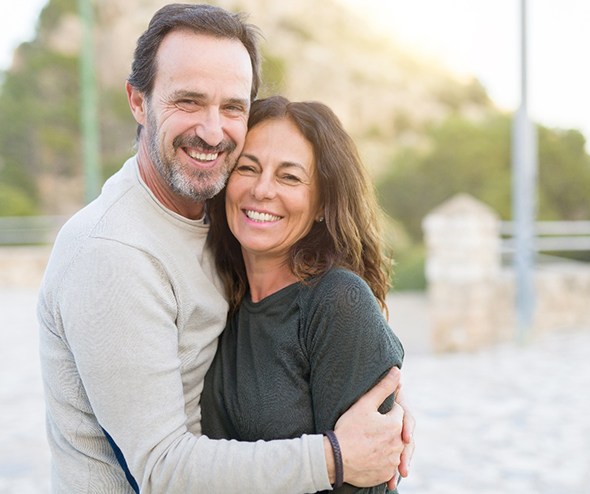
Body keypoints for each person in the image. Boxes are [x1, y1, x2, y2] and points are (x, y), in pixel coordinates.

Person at [37, 3, 413, 493]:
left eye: (232, 107)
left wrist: (379, 417)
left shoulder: (215, 222)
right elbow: (163, 468)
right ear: (137, 101)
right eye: (188, 101)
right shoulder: (113, 251)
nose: (212, 131)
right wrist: (336, 457)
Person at [200, 96, 405, 493]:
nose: (261, 190)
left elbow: (369, 478)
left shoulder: (338, 303)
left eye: (289, 177)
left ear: (322, 205)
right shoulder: (217, 291)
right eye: (248, 167)